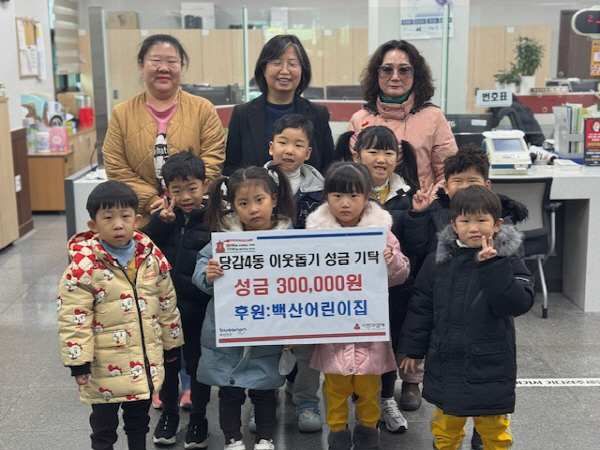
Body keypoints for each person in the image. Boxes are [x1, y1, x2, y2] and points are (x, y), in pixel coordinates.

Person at [403, 144, 528, 450]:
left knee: (494, 431)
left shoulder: (507, 254)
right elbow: (421, 306)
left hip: (491, 362)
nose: (474, 228)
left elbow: (519, 302)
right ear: (453, 224)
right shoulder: (439, 259)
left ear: (497, 223)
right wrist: (412, 349)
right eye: (465, 221)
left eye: (481, 220)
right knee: (445, 429)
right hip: (446, 359)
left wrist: (493, 267)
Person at [56, 180, 183, 450]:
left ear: (137, 220)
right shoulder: (84, 267)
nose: (118, 224)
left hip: (143, 360)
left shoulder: (151, 257)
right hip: (104, 364)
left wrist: (172, 345)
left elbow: (166, 303)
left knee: (139, 421)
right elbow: (73, 317)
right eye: (108, 218)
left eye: (125, 217)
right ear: (93, 225)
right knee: (104, 426)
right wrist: (79, 363)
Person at [305, 162, 410, 450]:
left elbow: (401, 275)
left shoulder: (382, 233)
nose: (345, 203)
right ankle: (337, 432)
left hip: (369, 330)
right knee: (335, 388)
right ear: (326, 196)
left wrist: (391, 261)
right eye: (337, 195)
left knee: (369, 387)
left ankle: (367, 429)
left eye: (353, 196)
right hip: (333, 330)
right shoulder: (314, 234)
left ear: (366, 197)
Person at [192, 165, 297, 450]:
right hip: (228, 332)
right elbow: (200, 270)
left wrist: (294, 330)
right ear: (233, 206)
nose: (253, 209)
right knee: (230, 391)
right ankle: (232, 439)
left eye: (259, 200)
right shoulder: (224, 240)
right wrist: (208, 275)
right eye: (243, 203)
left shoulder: (291, 240)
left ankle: (265, 437)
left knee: (265, 391)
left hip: (269, 331)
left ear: (273, 199)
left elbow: (300, 289)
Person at [335, 126, 419, 434]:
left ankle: (386, 399)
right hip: (348, 290)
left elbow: (414, 247)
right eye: (373, 151)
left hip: (394, 288)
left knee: (387, 345)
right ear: (356, 155)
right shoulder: (343, 190)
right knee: (348, 345)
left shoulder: (408, 195)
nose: (381, 159)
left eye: (388, 152)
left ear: (398, 157)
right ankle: (348, 402)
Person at [102, 34, 226, 225]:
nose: (164, 68)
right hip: (142, 217)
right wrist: (153, 201)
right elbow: (116, 167)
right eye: (156, 60)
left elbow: (213, 158)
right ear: (141, 65)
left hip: (194, 216)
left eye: (171, 61)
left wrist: (186, 195)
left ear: (181, 66)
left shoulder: (203, 109)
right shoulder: (122, 113)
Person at [140, 152, 212, 449]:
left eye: (192, 188)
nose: (185, 196)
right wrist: (160, 224)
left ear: (205, 186)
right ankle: (168, 414)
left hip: (200, 309)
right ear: (166, 190)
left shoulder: (214, 220)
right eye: (177, 190)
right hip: (164, 309)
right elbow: (141, 246)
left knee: (198, 365)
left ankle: (199, 418)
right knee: (167, 366)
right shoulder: (162, 219)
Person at [261, 113, 324, 432]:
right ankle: (263, 399)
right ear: (271, 147)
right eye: (283, 142)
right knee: (267, 342)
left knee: (308, 343)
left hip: (308, 282)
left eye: (298, 144)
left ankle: (307, 401)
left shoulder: (322, 190)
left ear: (308, 152)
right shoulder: (253, 184)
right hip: (266, 281)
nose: (289, 150)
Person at [347, 39, 457, 192]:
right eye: (387, 69)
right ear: (376, 73)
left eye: (404, 70)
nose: (395, 77)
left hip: (422, 204)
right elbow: (348, 174)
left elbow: (449, 175)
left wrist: (428, 202)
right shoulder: (359, 119)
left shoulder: (434, 117)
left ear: (416, 74)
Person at [224, 34, 334, 176]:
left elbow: (328, 166)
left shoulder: (318, 114)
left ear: (303, 70)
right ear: (263, 69)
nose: (285, 71)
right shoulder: (242, 114)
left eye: (293, 64)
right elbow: (231, 167)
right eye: (276, 63)